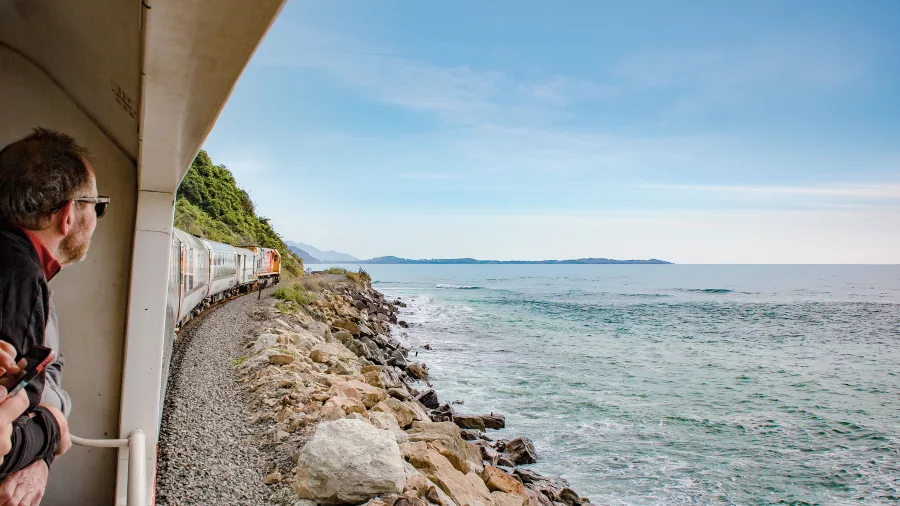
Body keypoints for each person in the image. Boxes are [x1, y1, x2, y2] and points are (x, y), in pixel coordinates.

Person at [0, 128, 108, 504]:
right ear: (67, 215)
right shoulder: (20, 277)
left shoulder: (32, 272)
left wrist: (40, 453)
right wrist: (53, 427)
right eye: (98, 206)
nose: (97, 217)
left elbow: (44, 376)